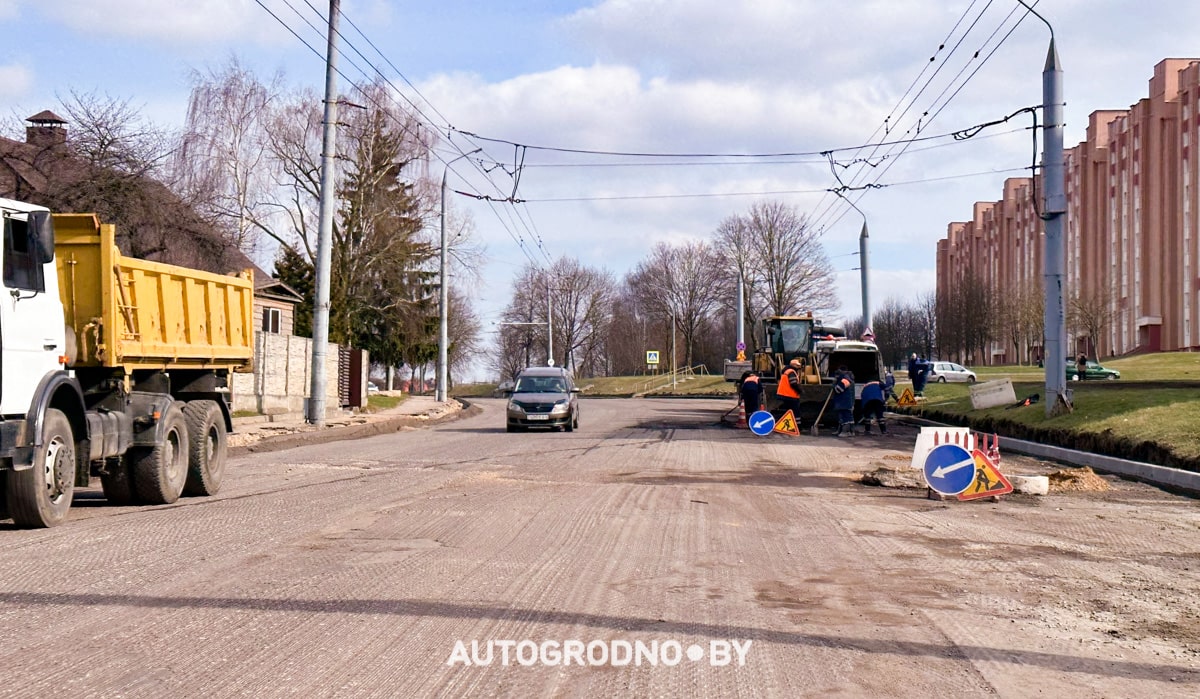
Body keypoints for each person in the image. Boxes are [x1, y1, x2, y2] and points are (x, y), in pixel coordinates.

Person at [831, 365, 856, 437]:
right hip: (845, 402)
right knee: (846, 417)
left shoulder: (845, 379)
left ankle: (846, 431)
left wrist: (834, 385)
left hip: (844, 402)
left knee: (846, 417)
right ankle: (849, 431)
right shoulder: (848, 378)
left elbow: (838, 389)